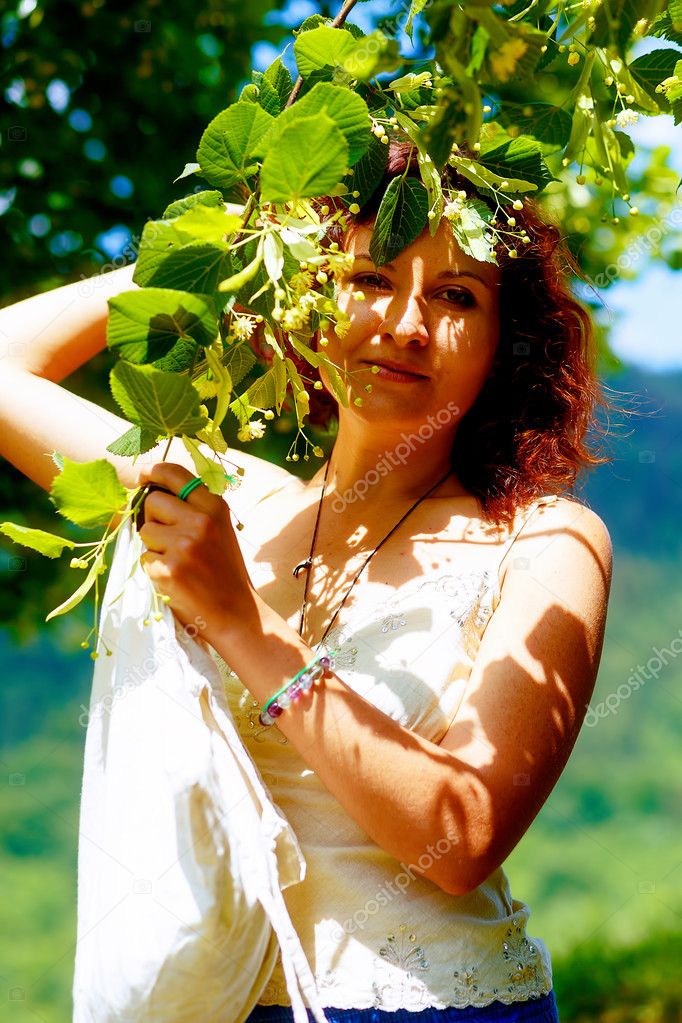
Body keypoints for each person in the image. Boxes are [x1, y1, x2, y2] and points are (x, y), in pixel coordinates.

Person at [0, 140, 613, 1023]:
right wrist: (225, 253)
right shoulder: (223, 499)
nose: (405, 325)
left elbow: (463, 834)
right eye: (369, 278)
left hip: (433, 1005)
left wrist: (247, 631)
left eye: (455, 295)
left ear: (502, 342)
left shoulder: (547, 541)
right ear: (309, 293)